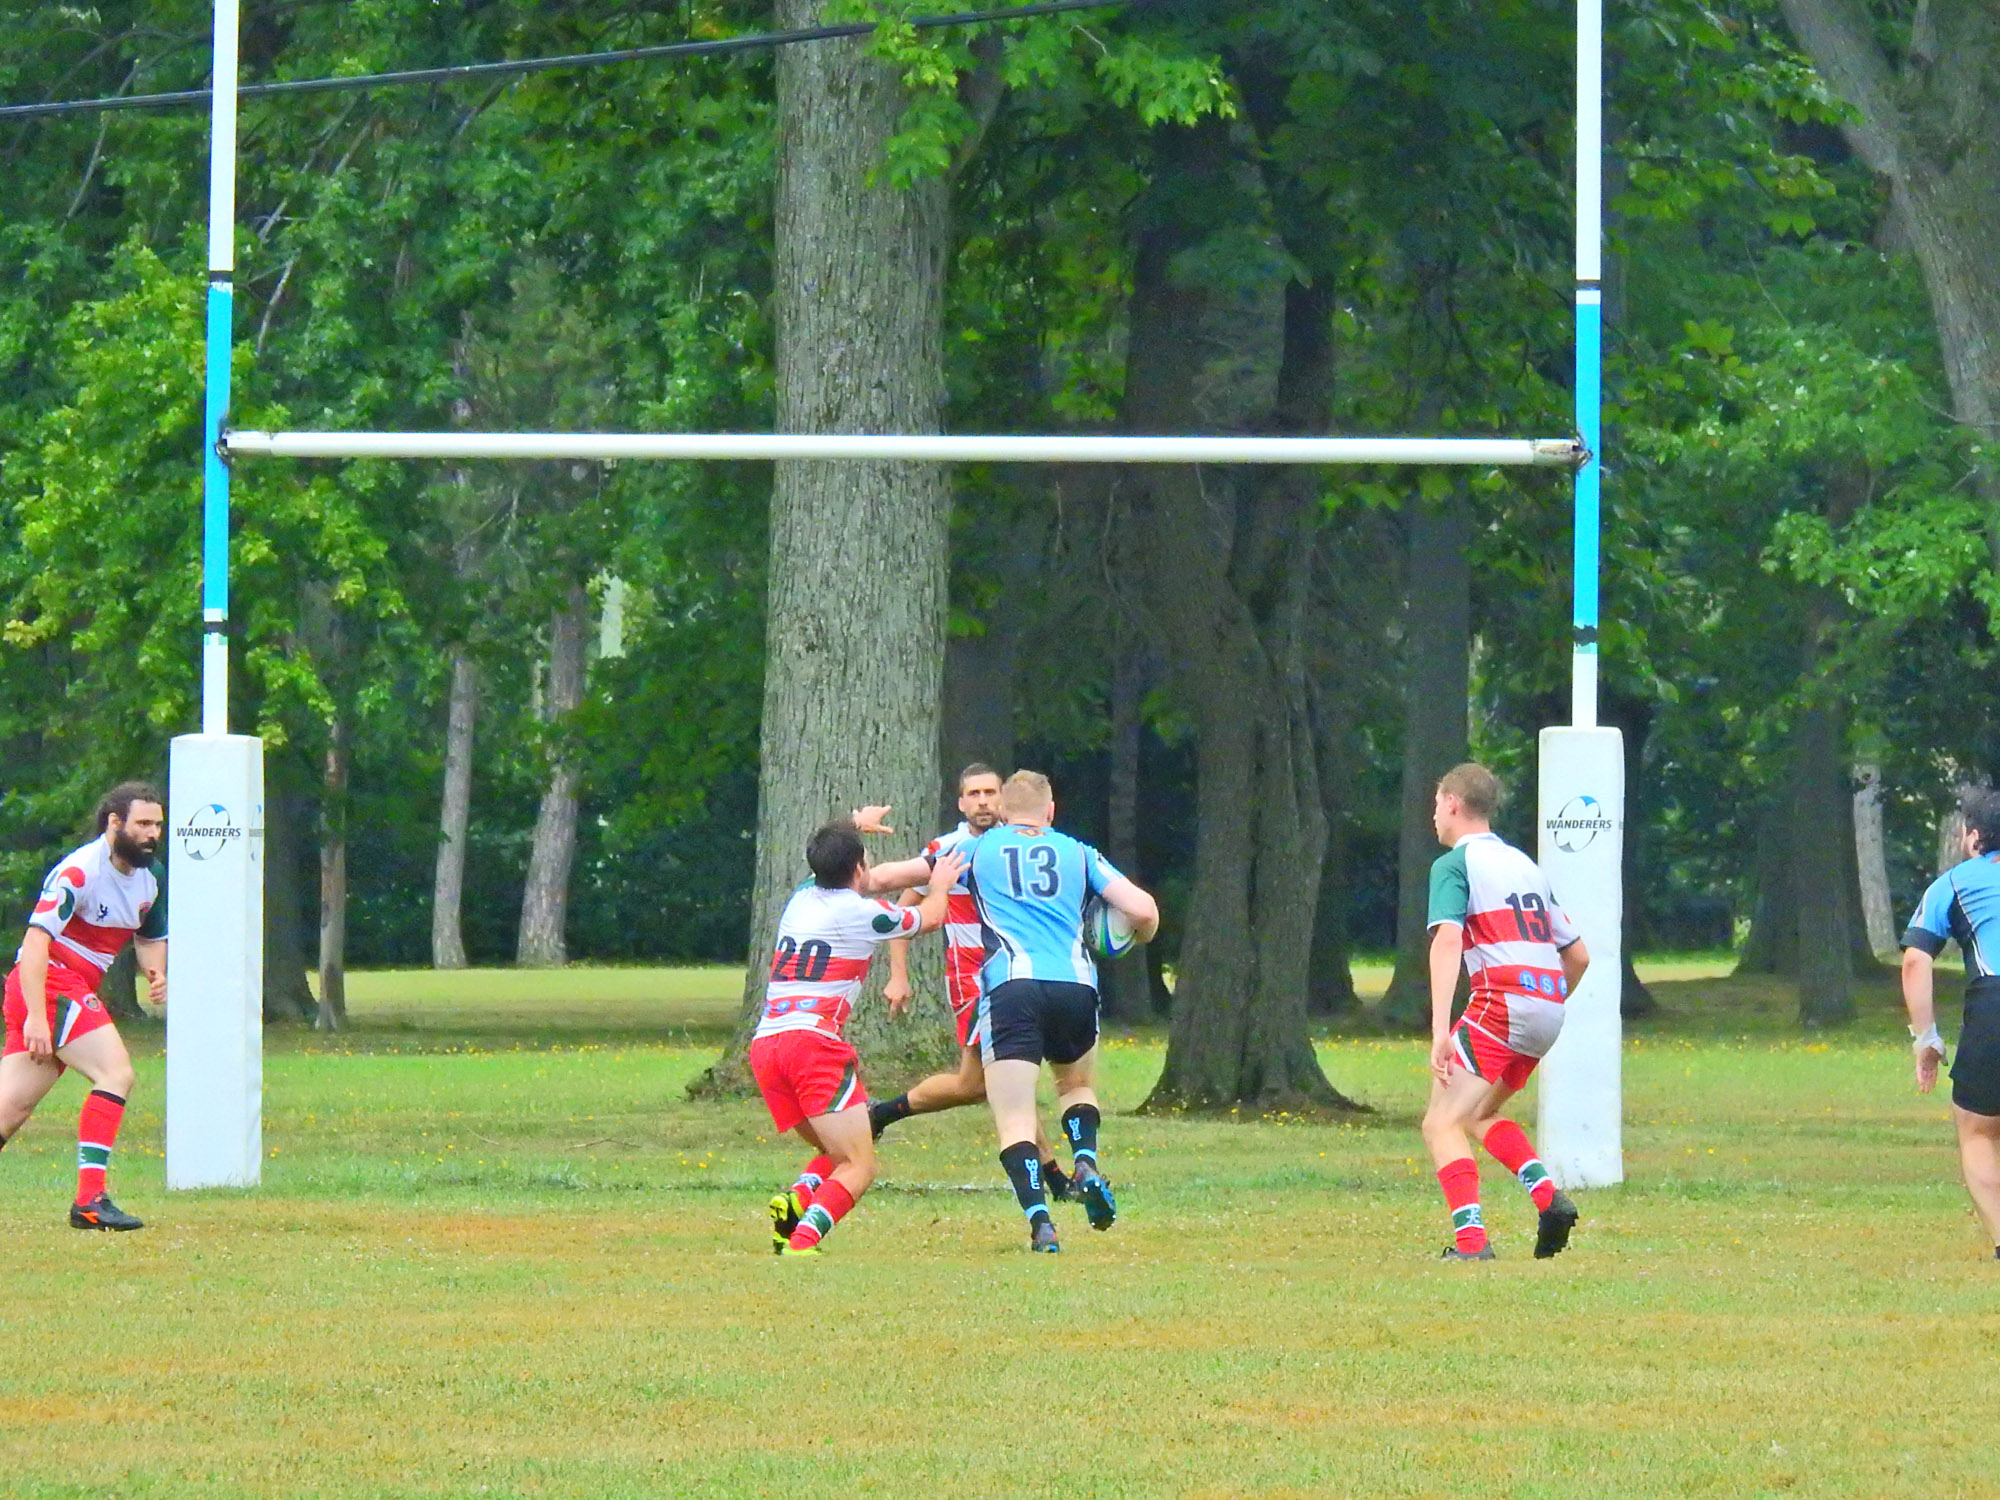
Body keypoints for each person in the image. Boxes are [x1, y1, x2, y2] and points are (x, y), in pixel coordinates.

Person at [964, 771, 1159, 1253]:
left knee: (1014, 1115)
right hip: (1075, 986)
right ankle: (1086, 1162)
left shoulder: (977, 848)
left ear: (1004, 812)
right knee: (1075, 1085)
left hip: (1012, 987)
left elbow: (901, 877)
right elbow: (1144, 910)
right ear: (1051, 812)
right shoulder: (1079, 852)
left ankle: (1042, 1224)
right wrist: (1138, 939)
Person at [754, 816, 963, 1257]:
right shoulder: (863, 913)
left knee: (842, 1147)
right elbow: (928, 918)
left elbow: (830, 860)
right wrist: (941, 883)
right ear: (859, 870)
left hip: (767, 1044)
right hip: (810, 1045)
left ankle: (796, 1201)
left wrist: (852, 824)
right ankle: (804, 1240)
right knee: (859, 1164)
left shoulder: (799, 898)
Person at [869, 763, 1068, 1199]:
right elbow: (905, 905)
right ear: (961, 803)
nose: (982, 802)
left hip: (1018, 976)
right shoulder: (952, 849)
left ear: (1005, 800)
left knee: (975, 1085)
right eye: (973, 794)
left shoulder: (1024, 848)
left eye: (990, 793)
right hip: (973, 980)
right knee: (1004, 1078)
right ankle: (1055, 1179)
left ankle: (879, 1114)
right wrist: (897, 973)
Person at [1418, 763, 1589, 1261]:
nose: (1433, 816)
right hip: (1547, 1008)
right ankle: (1547, 1197)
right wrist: (1547, 1002)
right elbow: (1578, 955)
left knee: (1440, 1122)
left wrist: (1440, 1030)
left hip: (1502, 1004)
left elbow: (1448, 939)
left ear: (1452, 802)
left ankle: (1472, 1245)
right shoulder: (1525, 866)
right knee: (1478, 1112)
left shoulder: (1454, 864)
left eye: (1435, 805)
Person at [0, 782, 168, 1231]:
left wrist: (156, 972)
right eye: (143, 824)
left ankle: (89, 1202)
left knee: (8, 1111)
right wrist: (37, 1014)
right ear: (115, 823)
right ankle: (89, 1201)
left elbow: (150, 937)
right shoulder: (79, 872)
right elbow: (36, 942)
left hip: (56, 991)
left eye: (157, 824)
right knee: (116, 1073)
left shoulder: (152, 879)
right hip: (50, 984)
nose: (153, 833)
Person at [1899, 786, 2000, 1259]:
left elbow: (1916, 960)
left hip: (1993, 1004)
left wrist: (1927, 1039)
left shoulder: (1955, 883)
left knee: (1979, 1130)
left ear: (1975, 836)